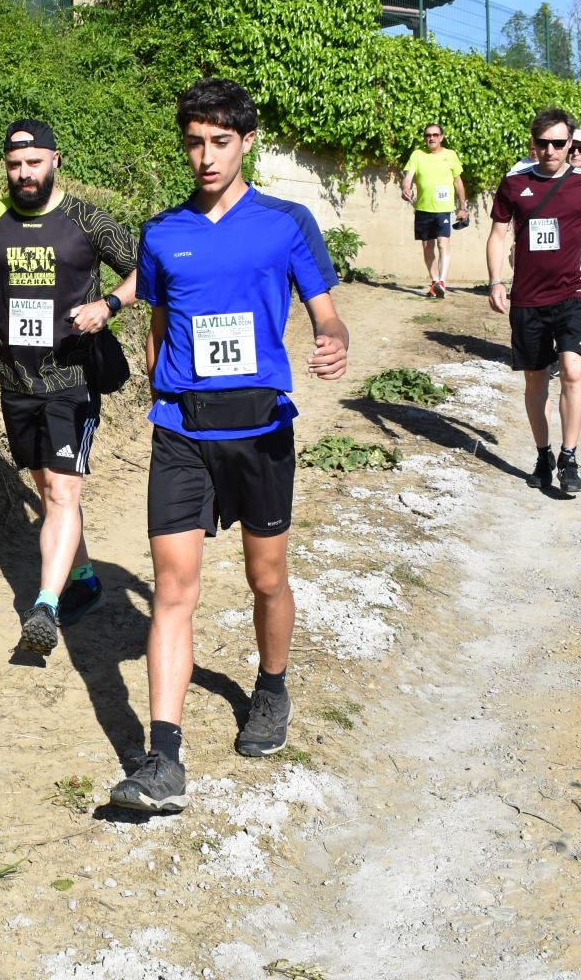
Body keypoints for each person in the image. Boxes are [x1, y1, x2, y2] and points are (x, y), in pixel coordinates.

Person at [108, 78, 349, 813]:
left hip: (261, 430)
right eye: (194, 142)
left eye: (219, 141)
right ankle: (164, 758)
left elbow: (327, 315)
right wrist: (157, 383)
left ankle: (271, 688)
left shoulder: (286, 223)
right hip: (181, 433)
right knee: (174, 590)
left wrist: (334, 341)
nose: (205, 156)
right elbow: (155, 318)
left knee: (266, 577)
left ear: (246, 143)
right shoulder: (161, 232)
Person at [0, 119, 138, 656]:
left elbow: (147, 269)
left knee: (60, 490)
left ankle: (45, 607)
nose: (24, 174)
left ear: (55, 161)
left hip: (71, 380)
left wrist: (109, 304)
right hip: (16, 381)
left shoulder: (86, 221)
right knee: (47, 486)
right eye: (14, 165)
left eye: (33, 163)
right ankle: (85, 581)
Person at [486, 108, 581, 497]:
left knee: (573, 372)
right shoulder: (513, 182)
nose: (551, 150)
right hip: (527, 299)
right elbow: (497, 235)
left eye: (559, 143)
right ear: (532, 143)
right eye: (543, 143)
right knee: (535, 380)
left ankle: (569, 456)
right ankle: (543, 454)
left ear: (571, 143)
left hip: (573, 294)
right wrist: (495, 281)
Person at [399, 123, 466, 298]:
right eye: (428, 135)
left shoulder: (450, 155)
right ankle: (435, 282)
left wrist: (463, 207)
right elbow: (408, 177)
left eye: (435, 135)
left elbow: (458, 182)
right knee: (427, 246)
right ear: (425, 138)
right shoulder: (417, 155)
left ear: (441, 137)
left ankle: (442, 281)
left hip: (443, 209)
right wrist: (406, 188)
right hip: (423, 208)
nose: (431, 138)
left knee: (443, 244)